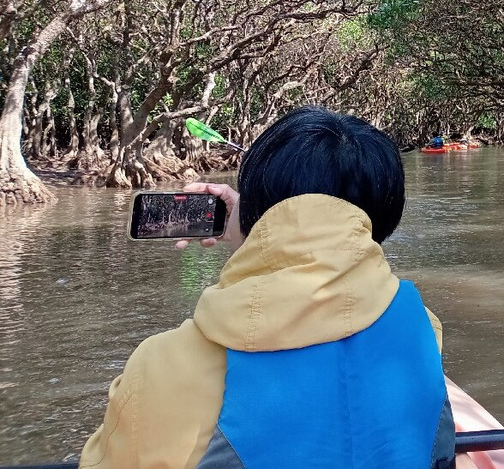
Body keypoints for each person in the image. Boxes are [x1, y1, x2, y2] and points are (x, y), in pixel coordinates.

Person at [81, 107, 456, 469]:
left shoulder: (157, 366)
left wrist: (251, 229)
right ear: (386, 216)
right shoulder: (424, 328)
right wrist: (255, 229)